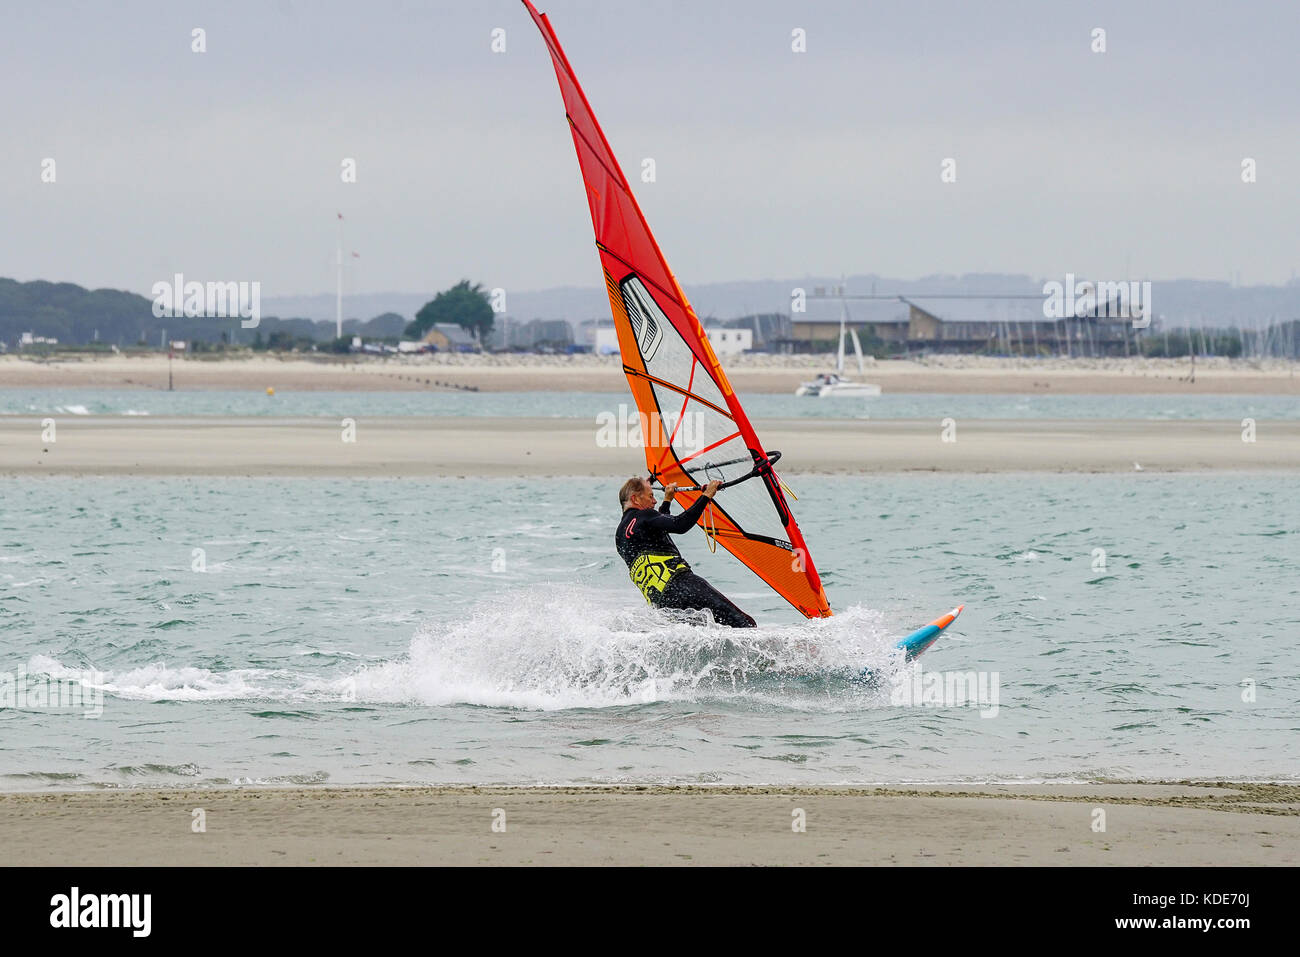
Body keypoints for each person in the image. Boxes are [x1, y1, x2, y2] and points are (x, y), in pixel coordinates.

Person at [614, 476, 756, 628]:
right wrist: (706, 495)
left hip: (663, 604)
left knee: (707, 635)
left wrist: (667, 500)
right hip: (684, 586)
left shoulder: (620, 535)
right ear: (635, 499)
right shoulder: (645, 515)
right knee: (745, 624)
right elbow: (680, 524)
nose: (654, 501)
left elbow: (658, 528)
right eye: (651, 496)